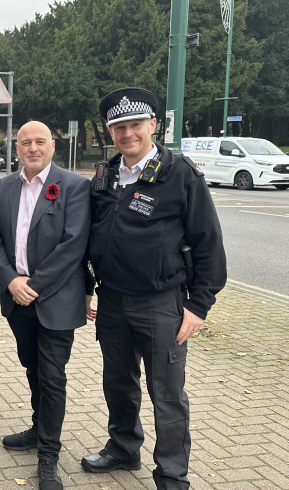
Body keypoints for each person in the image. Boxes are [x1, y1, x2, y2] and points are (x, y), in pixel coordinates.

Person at [81, 88, 227, 490]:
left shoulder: (180, 174)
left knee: (167, 395)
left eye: (135, 125)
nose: (127, 134)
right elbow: (88, 237)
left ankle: (172, 474)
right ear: (111, 131)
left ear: (153, 126)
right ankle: (124, 447)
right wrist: (88, 287)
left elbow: (209, 245)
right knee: (118, 382)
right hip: (112, 301)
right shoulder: (105, 175)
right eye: (119, 127)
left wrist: (198, 307)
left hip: (161, 303)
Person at [0, 121, 91, 489]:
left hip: (55, 299)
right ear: (17, 147)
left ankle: (48, 457)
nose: (33, 148)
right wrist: (11, 281)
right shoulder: (5, 186)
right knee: (32, 368)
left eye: (40, 142)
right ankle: (37, 428)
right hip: (18, 300)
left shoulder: (75, 185)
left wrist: (33, 284)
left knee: (52, 377)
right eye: (25, 143)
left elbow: (73, 245)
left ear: (52, 145)